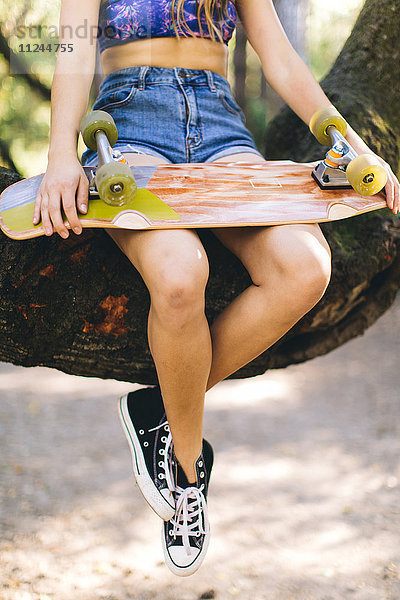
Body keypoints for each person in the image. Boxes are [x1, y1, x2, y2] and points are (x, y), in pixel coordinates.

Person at [34, 0, 399, 577]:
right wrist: (59, 158)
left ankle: (163, 405)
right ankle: (184, 472)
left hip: (221, 131)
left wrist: (348, 141)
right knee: (181, 276)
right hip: (128, 132)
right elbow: (74, 49)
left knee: (306, 268)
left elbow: (276, 51)